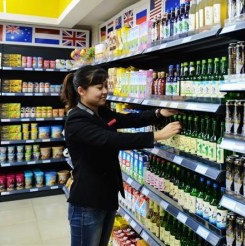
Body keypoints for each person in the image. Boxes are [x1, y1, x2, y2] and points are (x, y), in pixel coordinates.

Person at [61, 65, 181, 246]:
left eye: (105, 86)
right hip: (88, 201)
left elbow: (128, 119)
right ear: (81, 91)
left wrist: (158, 113)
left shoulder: (100, 112)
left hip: (106, 197)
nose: (105, 92)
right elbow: (112, 139)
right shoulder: (76, 120)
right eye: (99, 88)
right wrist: (157, 135)